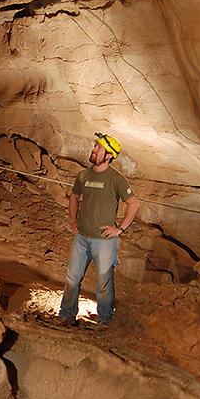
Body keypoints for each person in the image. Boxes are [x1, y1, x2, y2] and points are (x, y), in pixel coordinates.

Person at [57, 132, 140, 328]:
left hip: (104, 241)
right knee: (72, 278)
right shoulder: (84, 175)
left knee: (104, 282)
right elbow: (73, 197)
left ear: (109, 155)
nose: (94, 150)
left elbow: (133, 204)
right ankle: (67, 314)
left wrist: (120, 229)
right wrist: (72, 221)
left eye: (99, 148)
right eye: (95, 147)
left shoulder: (116, 179)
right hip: (82, 237)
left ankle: (105, 319)